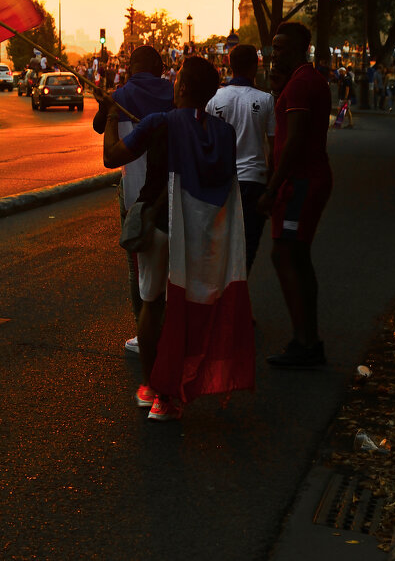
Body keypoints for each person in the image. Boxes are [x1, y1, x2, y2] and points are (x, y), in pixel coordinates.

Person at [102, 56, 254, 421]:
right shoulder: (225, 133)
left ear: (182, 88)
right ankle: (178, 386)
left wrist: (111, 115)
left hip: (159, 226)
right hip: (202, 236)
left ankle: (153, 389)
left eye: (177, 79)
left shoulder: (159, 124)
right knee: (185, 304)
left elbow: (111, 157)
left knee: (151, 303)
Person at [92, 44, 174, 355]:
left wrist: (106, 105)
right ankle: (171, 327)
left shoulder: (121, 96)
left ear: (130, 67)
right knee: (172, 265)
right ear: (160, 68)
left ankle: (145, 333)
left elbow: (101, 127)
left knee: (138, 268)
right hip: (171, 190)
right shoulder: (174, 94)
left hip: (134, 193)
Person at [259, 22, 333, 369]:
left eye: (282, 48)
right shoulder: (301, 81)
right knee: (290, 255)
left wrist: (273, 186)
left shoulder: (302, 84)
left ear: (301, 49)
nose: (275, 54)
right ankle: (305, 339)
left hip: (300, 181)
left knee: (289, 255)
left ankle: (306, 342)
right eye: (274, 48)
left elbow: (294, 141)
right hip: (301, 179)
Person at [205, 43, 275, 274]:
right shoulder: (266, 100)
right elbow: (274, 148)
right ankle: (238, 299)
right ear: (256, 66)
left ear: (228, 65)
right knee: (246, 249)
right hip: (253, 182)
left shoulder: (213, 99)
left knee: (220, 247)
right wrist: (271, 189)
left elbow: (205, 144)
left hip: (220, 182)